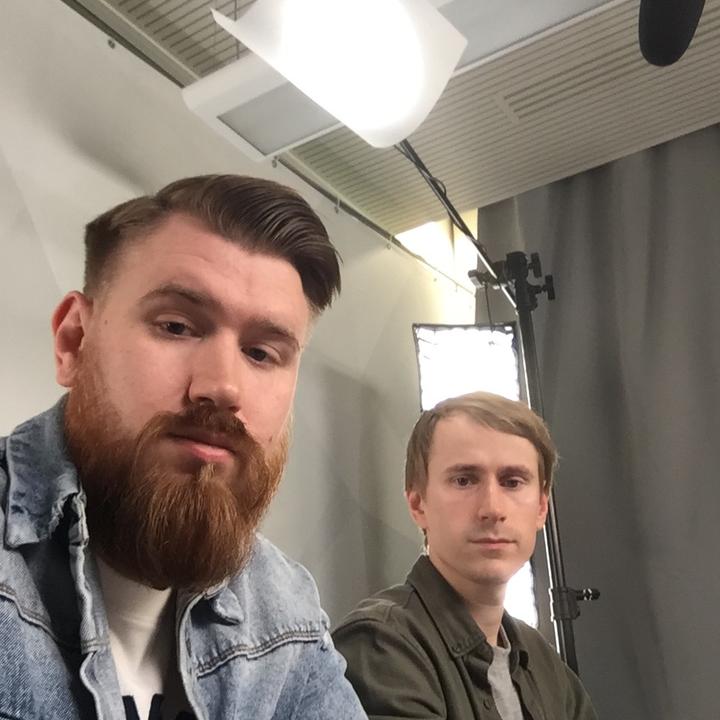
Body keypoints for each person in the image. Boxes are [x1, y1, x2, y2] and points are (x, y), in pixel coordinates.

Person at [0, 175, 366, 720]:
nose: (223, 387)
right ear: (73, 341)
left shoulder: (285, 609)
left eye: (261, 353)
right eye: (176, 326)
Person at [333, 391, 598, 719]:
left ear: (541, 508)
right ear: (418, 504)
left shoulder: (544, 664)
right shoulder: (381, 646)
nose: (492, 509)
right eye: (464, 480)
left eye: (512, 482)